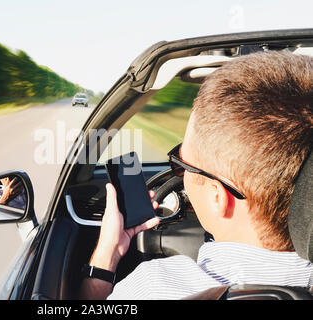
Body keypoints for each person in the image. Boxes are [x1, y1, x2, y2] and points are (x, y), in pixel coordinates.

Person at [80, 51, 313, 300]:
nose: (181, 175)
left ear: (218, 197)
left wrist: (108, 253)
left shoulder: (152, 287)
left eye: (181, 164)